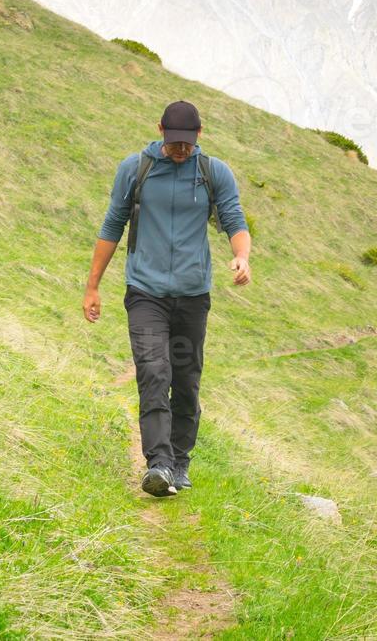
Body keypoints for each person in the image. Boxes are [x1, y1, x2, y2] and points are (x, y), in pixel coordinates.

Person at [82, 100, 252, 497]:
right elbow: (112, 226)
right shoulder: (135, 169)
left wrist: (241, 256)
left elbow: (234, 220)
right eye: (175, 143)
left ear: (199, 135)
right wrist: (93, 286)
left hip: (193, 295)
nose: (181, 151)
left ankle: (180, 461)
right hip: (146, 292)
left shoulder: (213, 172)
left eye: (188, 144)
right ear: (160, 130)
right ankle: (158, 464)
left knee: (187, 380)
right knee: (153, 371)